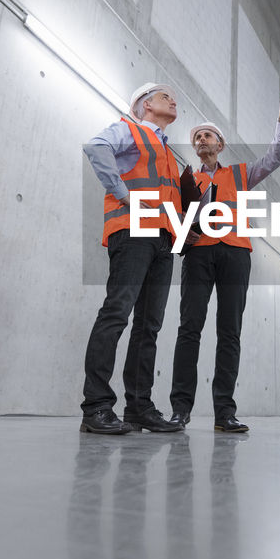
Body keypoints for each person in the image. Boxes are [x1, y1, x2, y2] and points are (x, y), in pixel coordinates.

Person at [169, 86, 280, 434]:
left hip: (236, 253)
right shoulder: (184, 180)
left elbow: (274, 158)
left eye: (207, 135)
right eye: (196, 137)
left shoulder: (240, 174)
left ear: (219, 144)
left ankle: (224, 412)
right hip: (197, 255)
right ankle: (180, 410)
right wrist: (183, 233)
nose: (201, 140)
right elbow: (174, 220)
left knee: (230, 332)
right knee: (188, 329)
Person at [81, 83, 186, 435]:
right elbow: (95, 147)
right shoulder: (130, 128)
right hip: (133, 230)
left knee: (148, 326)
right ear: (144, 106)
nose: (172, 99)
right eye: (163, 96)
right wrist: (124, 196)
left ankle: (139, 408)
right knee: (116, 314)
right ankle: (96, 408)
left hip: (163, 239)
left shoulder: (168, 151)